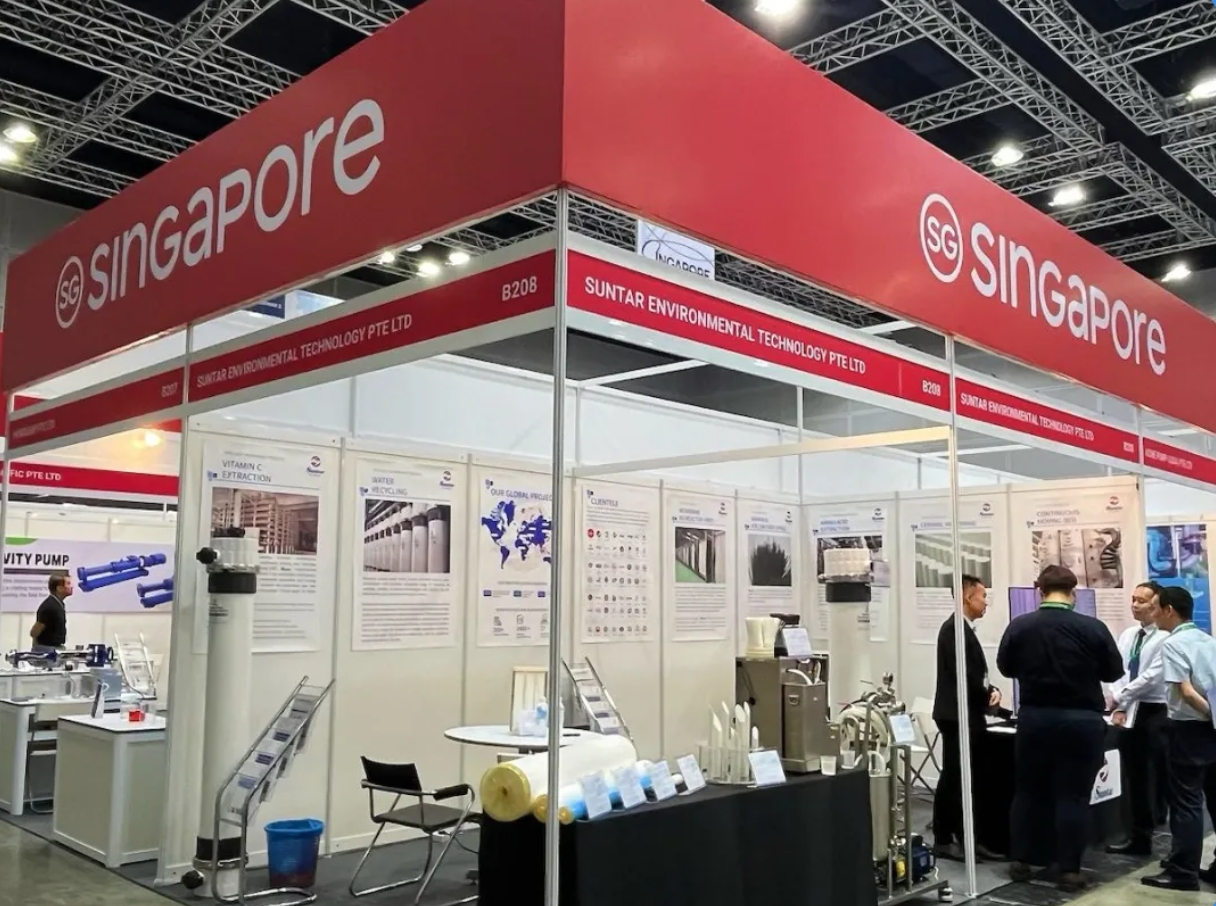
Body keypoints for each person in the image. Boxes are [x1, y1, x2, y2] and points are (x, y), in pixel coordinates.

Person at [996, 564, 1124, 892]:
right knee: (1074, 796)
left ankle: (1021, 860)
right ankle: (1069, 870)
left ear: (1039, 591)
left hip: (1035, 719)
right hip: (1081, 722)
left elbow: (1005, 667)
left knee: (1027, 792)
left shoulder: (1020, 626)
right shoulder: (1093, 628)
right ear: (1073, 593)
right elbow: (1113, 672)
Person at [1141, 586, 1216, 892]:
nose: (1152, 613)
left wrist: (1211, 714)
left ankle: (1183, 871)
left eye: (1154, 607)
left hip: (1189, 729)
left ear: (1169, 610)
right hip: (1211, 732)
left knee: (1186, 802)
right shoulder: (1208, 640)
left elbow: (1185, 690)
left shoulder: (1172, 644)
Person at [931, 574, 1002, 861]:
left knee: (965, 778)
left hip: (967, 713)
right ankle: (945, 838)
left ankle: (966, 837)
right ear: (966, 596)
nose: (985, 602)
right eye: (982, 596)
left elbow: (975, 675)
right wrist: (988, 695)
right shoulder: (954, 631)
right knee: (954, 777)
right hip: (956, 716)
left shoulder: (963, 630)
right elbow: (966, 675)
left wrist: (991, 690)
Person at [1106, 581, 1169, 855]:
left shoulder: (1165, 637)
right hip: (1128, 708)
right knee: (1135, 776)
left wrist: (1121, 697)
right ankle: (1139, 836)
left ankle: (1162, 828)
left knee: (1158, 775)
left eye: (1141, 601)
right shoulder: (1129, 635)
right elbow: (1117, 670)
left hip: (1155, 710)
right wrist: (1118, 701)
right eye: (1133, 599)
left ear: (1156, 605)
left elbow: (1151, 677)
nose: (1134, 605)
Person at [30, 573, 71, 653]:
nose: (72, 587)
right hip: (47, 650)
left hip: (55, 648)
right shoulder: (49, 606)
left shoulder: (58, 604)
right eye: (68, 584)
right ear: (59, 588)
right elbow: (34, 632)